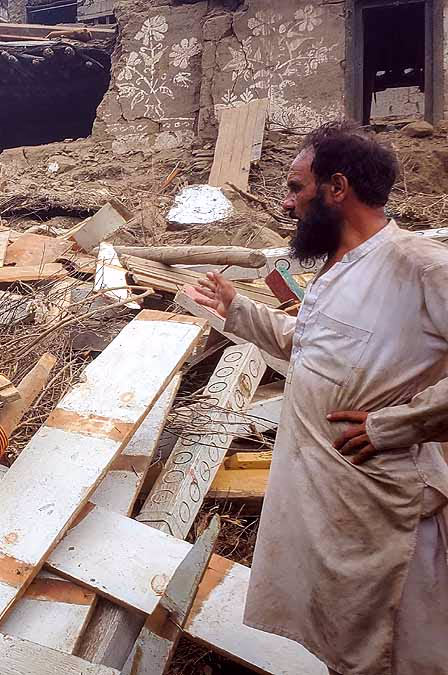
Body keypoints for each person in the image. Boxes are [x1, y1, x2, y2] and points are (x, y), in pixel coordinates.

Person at [191, 121, 447, 675]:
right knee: (341, 640)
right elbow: (314, 347)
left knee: (395, 650)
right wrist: (239, 309)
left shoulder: (419, 264)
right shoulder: (338, 266)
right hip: (329, 502)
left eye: (295, 187)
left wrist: (399, 425)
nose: (287, 203)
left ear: (336, 188)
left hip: (382, 507)